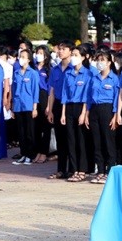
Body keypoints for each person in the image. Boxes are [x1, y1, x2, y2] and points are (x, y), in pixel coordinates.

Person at [86, 50, 119, 184]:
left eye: (103, 60)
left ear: (109, 63)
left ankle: (109, 169)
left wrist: (115, 115)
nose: (100, 63)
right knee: (97, 142)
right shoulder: (94, 78)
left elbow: (117, 98)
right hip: (94, 109)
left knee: (108, 141)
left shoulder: (115, 79)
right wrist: (87, 113)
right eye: (98, 60)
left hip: (108, 110)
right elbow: (89, 97)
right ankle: (100, 170)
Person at [59, 45, 91, 181]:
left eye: (76, 55)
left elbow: (86, 96)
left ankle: (82, 170)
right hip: (69, 107)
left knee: (81, 139)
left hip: (81, 107)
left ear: (83, 57)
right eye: (72, 55)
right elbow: (64, 94)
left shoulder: (88, 74)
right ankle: (74, 169)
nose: (73, 57)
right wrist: (63, 113)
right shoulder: (68, 73)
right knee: (71, 140)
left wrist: (84, 113)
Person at [46, 40, 73, 178]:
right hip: (57, 104)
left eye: (63, 49)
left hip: (70, 105)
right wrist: (50, 109)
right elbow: (51, 91)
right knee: (60, 138)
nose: (60, 51)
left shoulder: (74, 68)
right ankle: (61, 169)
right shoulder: (55, 69)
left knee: (71, 138)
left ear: (70, 51)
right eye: (59, 49)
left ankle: (73, 169)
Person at [12, 49, 40, 166]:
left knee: (29, 132)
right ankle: (23, 154)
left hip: (28, 105)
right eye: (20, 56)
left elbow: (35, 91)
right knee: (21, 132)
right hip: (18, 105)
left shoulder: (33, 73)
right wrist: (13, 107)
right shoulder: (16, 72)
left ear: (29, 59)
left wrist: (35, 107)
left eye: (24, 57)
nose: (21, 59)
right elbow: (13, 90)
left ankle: (30, 155)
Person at [32, 45, 52, 163]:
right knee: (36, 127)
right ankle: (37, 151)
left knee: (46, 127)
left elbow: (50, 89)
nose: (38, 55)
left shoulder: (49, 69)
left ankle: (44, 152)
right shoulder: (33, 68)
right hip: (34, 96)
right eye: (37, 53)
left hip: (45, 96)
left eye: (41, 53)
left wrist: (49, 106)